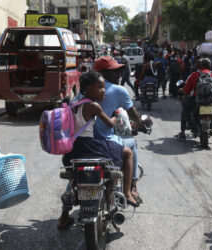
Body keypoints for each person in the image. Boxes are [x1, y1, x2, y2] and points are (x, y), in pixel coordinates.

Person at [58, 71, 138, 229]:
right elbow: (109, 123)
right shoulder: (94, 105)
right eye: (99, 87)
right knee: (128, 153)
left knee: (75, 179)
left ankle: (64, 213)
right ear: (87, 89)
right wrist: (117, 116)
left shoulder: (74, 103)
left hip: (73, 151)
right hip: (89, 147)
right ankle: (128, 192)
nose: (103, 91)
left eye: (103, 87)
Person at [93, 56, 146, 203]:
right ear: (102, 74)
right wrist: (141, 124)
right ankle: (130, 189)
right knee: (131, 146)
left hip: (83, 144)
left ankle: (64, 212)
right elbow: (132, 113)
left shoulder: (83, 94)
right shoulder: (117, 90)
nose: (119, 74)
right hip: (105, 143)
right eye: (114, 71)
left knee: (75, 174)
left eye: (118, 71)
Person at [175, 58, 212, 143]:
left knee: (184, 110)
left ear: (200, 65)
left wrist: (185, 97)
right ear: (209, 65)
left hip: (195, 101)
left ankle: (182, 133)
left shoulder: (195, 74)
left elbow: (186, 90)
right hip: (210, 101)